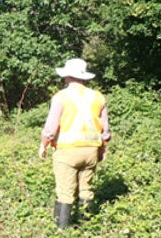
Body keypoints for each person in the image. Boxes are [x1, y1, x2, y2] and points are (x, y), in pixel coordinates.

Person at [39, 58, 111, 228]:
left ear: (67, 76)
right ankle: (86, 229)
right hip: (91, 151)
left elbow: (50, 127)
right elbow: (105, 130)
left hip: (67, 151)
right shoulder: (98, 97)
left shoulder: (61, 97)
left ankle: (61, 234)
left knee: (65, 192)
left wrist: (44, 144)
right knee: (86, 189)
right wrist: (102, 150)